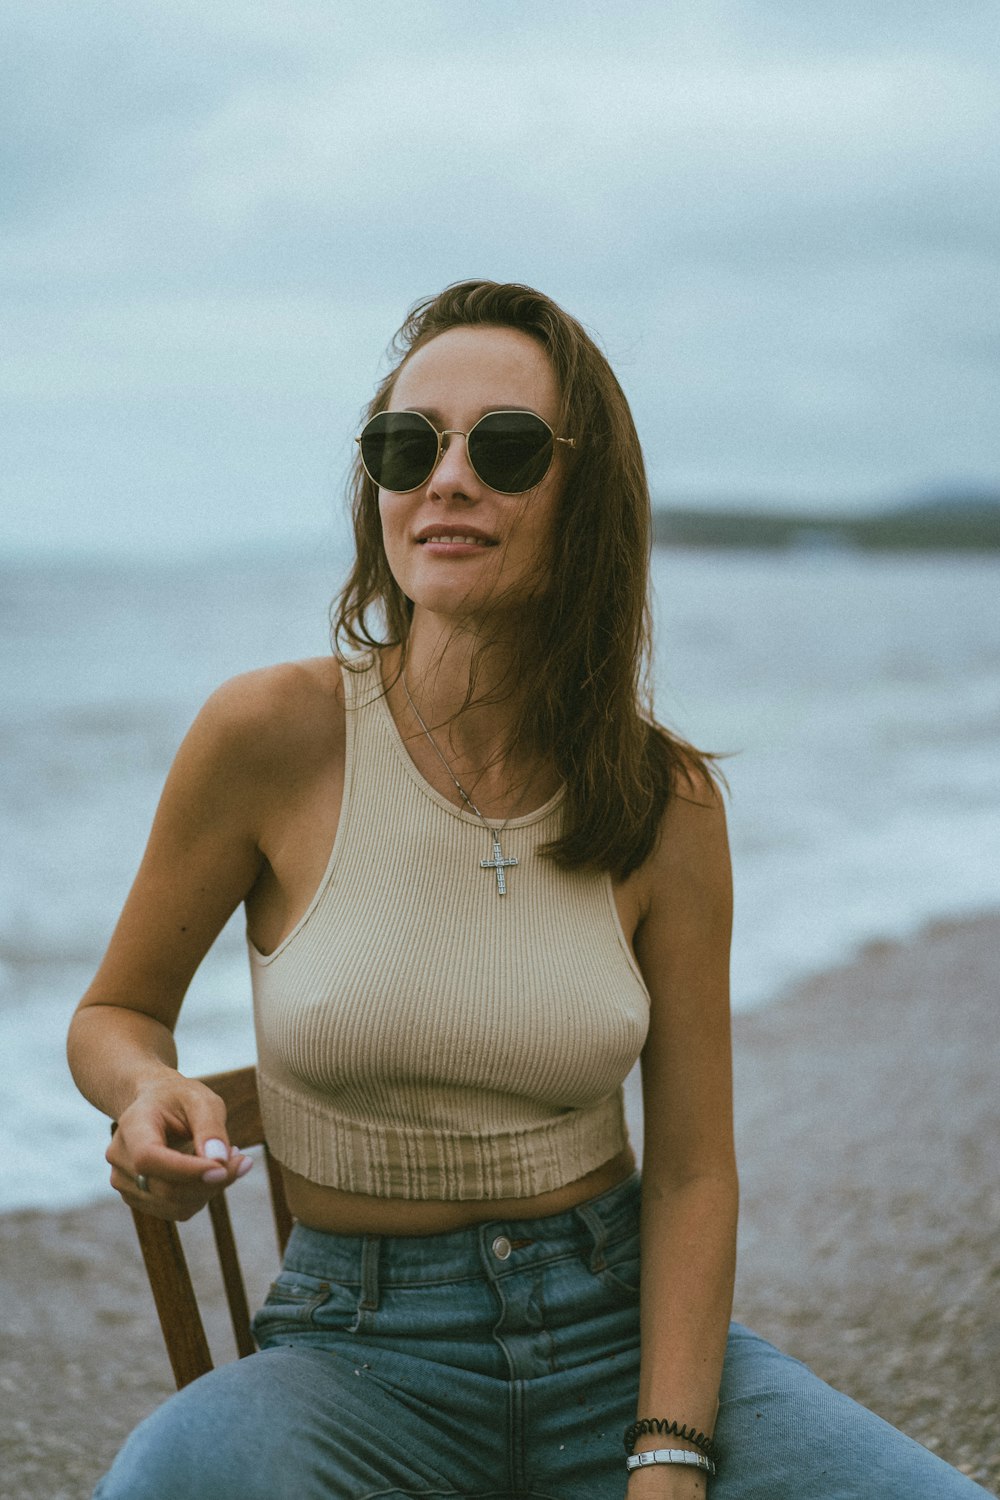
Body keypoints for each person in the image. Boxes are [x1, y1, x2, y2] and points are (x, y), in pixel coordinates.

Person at [68, 280, 991, 1500]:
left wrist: (668, 1454)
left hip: (618, 1341)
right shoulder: (269, 736)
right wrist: (143, 1095)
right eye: (408, 445)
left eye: (503, 449)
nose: (446, 479)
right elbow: (113, 1016)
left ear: (583, 500)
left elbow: (692, 1173)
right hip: (354, 1364)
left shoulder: (666, 802)